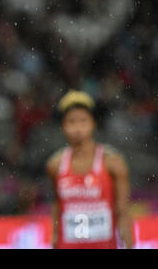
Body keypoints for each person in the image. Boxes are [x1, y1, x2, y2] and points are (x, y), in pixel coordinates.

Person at [46, 90, 133, 249]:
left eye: (83, 121)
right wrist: (54, 239)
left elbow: (123, 213)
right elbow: (57, 207)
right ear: (63, 127)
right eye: (71, 122)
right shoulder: (55, 165)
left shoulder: (113, 163)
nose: (78, 128)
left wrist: (128, 244)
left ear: (93, 124)